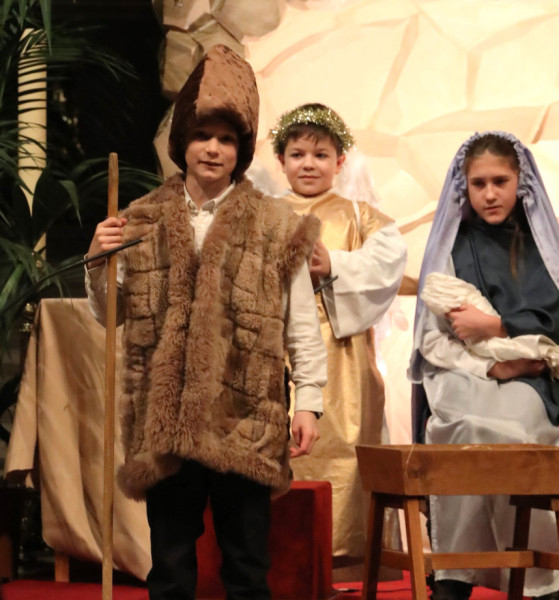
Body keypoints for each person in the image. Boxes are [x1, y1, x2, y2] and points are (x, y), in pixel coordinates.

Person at [85, 45, 327, 600]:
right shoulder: (141, 218)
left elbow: (300, 323)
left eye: (226, 138)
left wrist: (308, 400)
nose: (213, 149)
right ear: (182, 144)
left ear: (241, 148)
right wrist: (98, 259)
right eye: (201, 136)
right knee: (171, 565)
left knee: (246, 563)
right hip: (165, 415)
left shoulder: (276, 224)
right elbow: (109, 314)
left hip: (246, 413)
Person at [409, 131, 559, 600]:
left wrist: (497, 325)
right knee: (463, 427)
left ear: (521, 182)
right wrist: (493, 369)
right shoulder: (451, 248)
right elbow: (432, 341)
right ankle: (454, 575)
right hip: (468, 375)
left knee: (511, 431)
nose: (490, 194)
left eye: (500, 181)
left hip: (536, 379)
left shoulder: (548, 250)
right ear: (464, 187)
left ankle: (540, 577)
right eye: (479, 184)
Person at [271, 102, 407, 561]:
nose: (309, 164)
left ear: (340, 161)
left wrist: (336, 264)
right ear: (281, 160)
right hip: (275, 347)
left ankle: (348, 557)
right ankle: (282, 560)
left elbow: (388, 262)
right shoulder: (265, 213)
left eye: (321, 155)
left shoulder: (358, 215)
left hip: (342, 354)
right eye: (297, 155)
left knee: (346, 449)